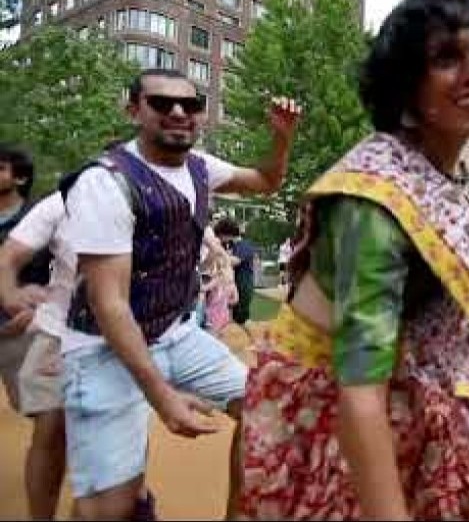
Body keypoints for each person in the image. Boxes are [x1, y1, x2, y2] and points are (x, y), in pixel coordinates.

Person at [238, 0, 469, 520]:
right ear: (407, 87)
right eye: (446, 58)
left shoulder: (440, 176)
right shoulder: (376, 200)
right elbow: (359, 390)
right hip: (321, 418)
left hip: (408, 394)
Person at [57, 67, 302, 519]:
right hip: (102, 349)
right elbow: (109, 303)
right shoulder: (104, 183)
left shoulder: (200, 167)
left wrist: (282, 138)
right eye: (161, 103)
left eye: (190, 105)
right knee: (110, 510)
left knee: (265, 408)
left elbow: (267, 181)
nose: (178, 112)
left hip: (177, 332)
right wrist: (162, 395)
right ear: (133, 109)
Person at [0, 145, 63, 521]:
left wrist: (40, 306)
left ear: (20, 177)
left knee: (49, 421)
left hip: (24, 333)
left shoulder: (39, 218)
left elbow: (71, 270)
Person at [215, 218, 259, 333]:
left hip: (243, 285)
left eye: (220, 236)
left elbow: (234, 261)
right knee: (234, 319)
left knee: (242, 320)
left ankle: (255, 340)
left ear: (227, 234)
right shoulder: (232, 246)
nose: (220, 239)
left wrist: (217, 252)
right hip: (236, 285)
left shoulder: (244, 245)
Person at [203, 253, 238, 335]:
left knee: (211, 335)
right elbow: (235, 300)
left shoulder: (216, 280)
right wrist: (225, 302)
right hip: (224, 313)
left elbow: (204, 288)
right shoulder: (232, 284)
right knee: (220, 335)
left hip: (212, 313)